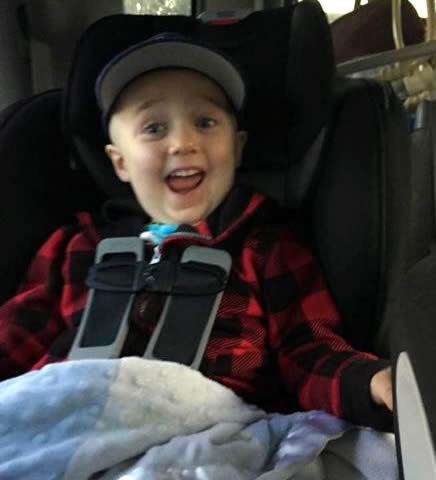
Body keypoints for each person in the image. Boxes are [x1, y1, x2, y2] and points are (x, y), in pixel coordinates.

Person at [0, 33, 393, 430]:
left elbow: (308, 348)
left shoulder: (265, 247)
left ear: (237, 147)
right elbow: (18, 337)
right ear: (119, 162)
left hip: (205, 431)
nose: (183, 142)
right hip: (65, 419)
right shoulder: (76, 245)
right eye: (154, 128)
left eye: (205, 123)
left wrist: (366, 382)